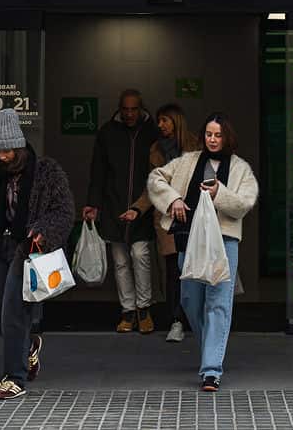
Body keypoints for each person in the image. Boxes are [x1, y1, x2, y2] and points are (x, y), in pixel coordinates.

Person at [0, 108, 75, 400]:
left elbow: (64, 212)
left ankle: (14, 378)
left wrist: (42, 231)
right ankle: (29, 348)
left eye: (8, 149)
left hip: (27, 249)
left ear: (19, 146)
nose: (2, 155)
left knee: (13, 310)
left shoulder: (46, 172)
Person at [147, 112, 258, 391]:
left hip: (224, 241)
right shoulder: (188, 161)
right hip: (191, 238)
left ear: (227, 137)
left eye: (218, 135)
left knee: (219, 302)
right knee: (190, 300)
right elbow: (155, 178)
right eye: (209, 134)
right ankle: (212, 345)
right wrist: (172, 199)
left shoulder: (240, 168)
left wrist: (219, 193)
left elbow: (245, 203)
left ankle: (211, 370)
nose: (212, 139)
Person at [83, 89, 160, 333]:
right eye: (125, 109)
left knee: (141, 255)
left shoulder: (152, 132)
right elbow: (98, 171)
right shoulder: (107, 133)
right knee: (120, 261)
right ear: (119, 109)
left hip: (143, 206)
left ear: (141, 108)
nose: (128, 114)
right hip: (113, 204)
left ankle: (144, 309)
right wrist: (93, 203)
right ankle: (127, 311)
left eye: (133, 109)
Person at [125, 103, 200, 342]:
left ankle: (197, 319)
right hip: (167, 219)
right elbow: (153, 187)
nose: (160, 125)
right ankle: (176, 321)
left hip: (194, 216)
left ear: (176, 121)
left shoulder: (195, 145)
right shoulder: (156, 149)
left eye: (165, 120)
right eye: (159, 121)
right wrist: (137, 209)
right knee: (172, 272)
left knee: (196, 270)